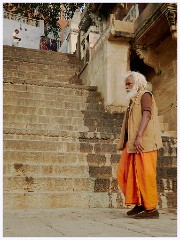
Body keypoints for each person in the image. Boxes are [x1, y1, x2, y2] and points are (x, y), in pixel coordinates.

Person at [116, 71, 163, 219]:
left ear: (138, 83)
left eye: (129, 84)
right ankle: (140, 203)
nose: (127, 87)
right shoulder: (132, 100)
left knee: (145, 175)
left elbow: (147, 115)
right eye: (126, 84)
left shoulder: (145, 95)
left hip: (144, 143)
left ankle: (151, 209)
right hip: (132, 145)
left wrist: (139, 136)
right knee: (125, 174)